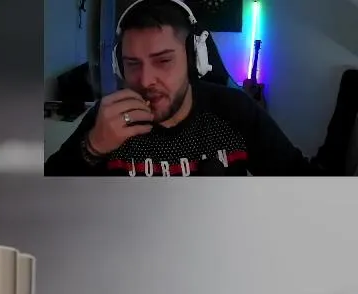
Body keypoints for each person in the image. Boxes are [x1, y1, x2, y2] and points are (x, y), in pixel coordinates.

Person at [45, 0, 317, 176]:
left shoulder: (236, 113)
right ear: (118, 65)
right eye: (132, 64)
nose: (145, 80)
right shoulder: (108, 117)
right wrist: (93, 147)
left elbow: (303, 183)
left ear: (193, 58)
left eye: (163, 61)